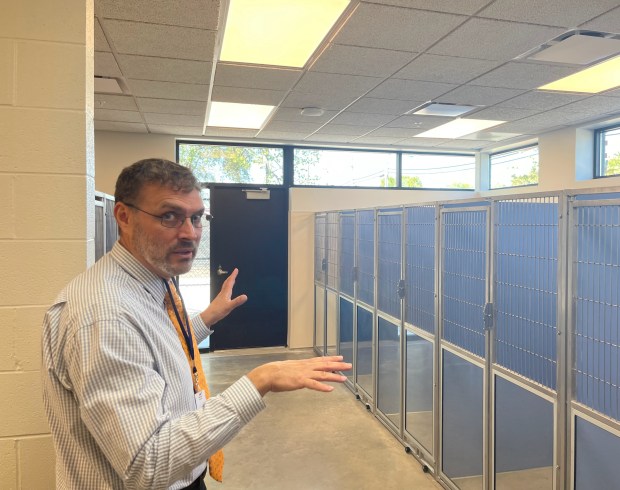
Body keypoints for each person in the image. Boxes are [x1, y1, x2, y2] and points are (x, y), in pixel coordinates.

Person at [41, 158, 351, 490]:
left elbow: (153, 347)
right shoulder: (105, 315)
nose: (190, 233)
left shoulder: (153, 280)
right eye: (169, 216)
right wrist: (261, 380)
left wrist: (205, 320)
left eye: (197, 218)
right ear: (124, 216)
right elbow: (149, 463)